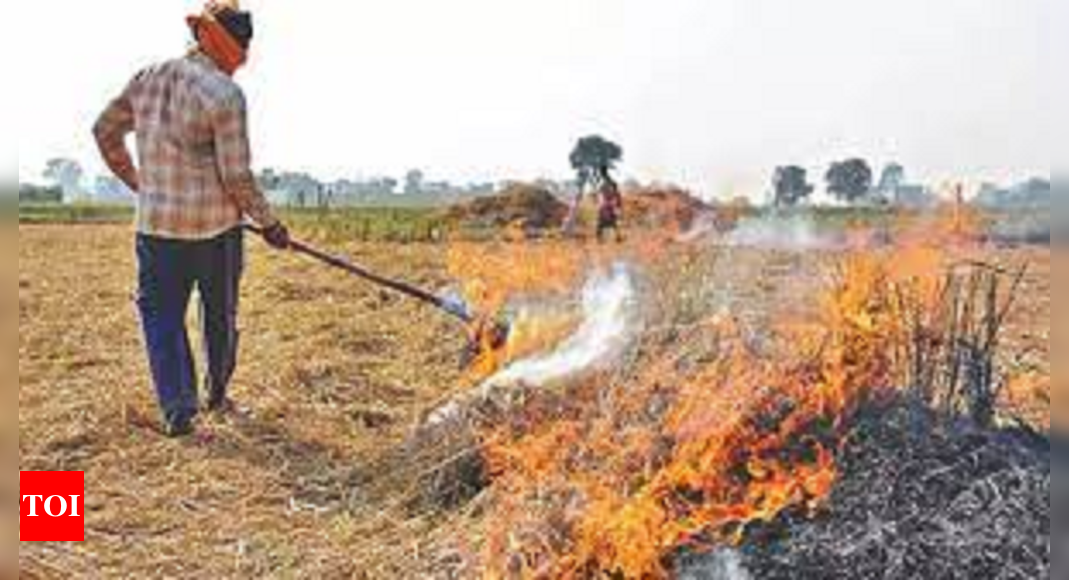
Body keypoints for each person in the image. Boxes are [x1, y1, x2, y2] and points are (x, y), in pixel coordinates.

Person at [93, 0, 291, 437]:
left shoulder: (147, 79)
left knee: (161, 317)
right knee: (219, 314)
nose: (234, 62)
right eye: (231, 51)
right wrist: (270, 223)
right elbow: (236, 175)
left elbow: (104, 130)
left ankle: (178, 411)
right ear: (207, 39)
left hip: (156, 229)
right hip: (214, 230)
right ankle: (216, 395)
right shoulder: (224, 94)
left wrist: (140, 184)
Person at [595, 167, 624, 243]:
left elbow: (616, 196)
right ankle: (616, 237)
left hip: (608, 206)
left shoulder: (609, 185)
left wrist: (616, 205)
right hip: (607, 206)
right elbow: (601, 196)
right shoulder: (607, 185)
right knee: (606, 223)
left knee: (608, 223)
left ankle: (617, 237)